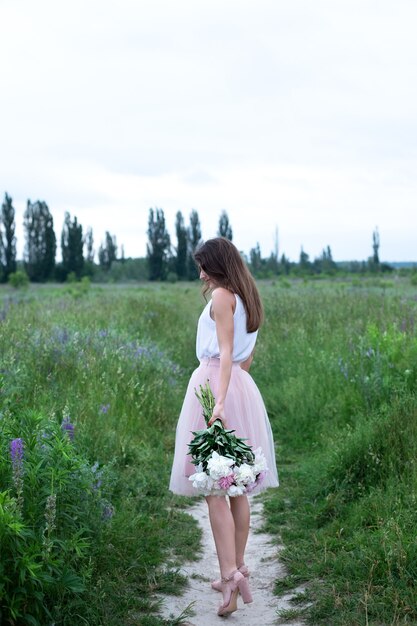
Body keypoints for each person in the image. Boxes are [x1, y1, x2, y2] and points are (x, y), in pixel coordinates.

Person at [169, 237, 279, 617]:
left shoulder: (221, 296)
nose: (201, 273)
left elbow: (227, 353)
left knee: (215, 489)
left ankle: (229, 576)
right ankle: (236, 569)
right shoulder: (248, 297)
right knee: (236, 487)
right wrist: (235, 396)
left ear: (217, 265)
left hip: (216, 387)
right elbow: (245, 359)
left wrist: (218, 403)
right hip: (240, 388)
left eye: (204, 266)